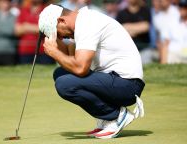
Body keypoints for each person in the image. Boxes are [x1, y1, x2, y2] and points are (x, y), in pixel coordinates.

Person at [39, 4, 145, 139]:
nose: (60, 37)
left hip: (128, 85)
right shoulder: (80, 22)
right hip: (113, 80)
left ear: (62, 21)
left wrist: (54, 52)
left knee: (64, 84)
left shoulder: (87, 23)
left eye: (56, 32)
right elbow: (70, 60)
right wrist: (51, 39)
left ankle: (116, 116)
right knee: (60, 74)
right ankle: (108, 118)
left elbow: (80, 69)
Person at [15, 0, 54, 64]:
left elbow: (49, 30)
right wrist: (38, 28)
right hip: (25, 51)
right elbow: (17, 31)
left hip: (44, 51)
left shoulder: (48, 10)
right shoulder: (23, 10)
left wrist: (26, 26)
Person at [116, 0, 153, 64]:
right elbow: (119, 30)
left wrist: (127, 28)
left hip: (143, 49)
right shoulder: (121, 13)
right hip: (126, 52)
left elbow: (146, 27)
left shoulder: (146, 11)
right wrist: (138, 28)